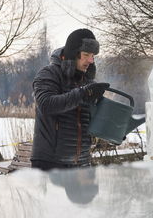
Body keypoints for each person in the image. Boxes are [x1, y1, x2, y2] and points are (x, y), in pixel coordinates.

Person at [31, 28, 110, 170]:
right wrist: (83, 94)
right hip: (50, 163)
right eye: (86, 55)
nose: (91, 60)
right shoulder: (49, 74)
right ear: (73, 54)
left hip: (81, 163)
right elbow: (45, 105)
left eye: (92, 56)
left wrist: (113, 132)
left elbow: (91, 121)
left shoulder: (88, 82)